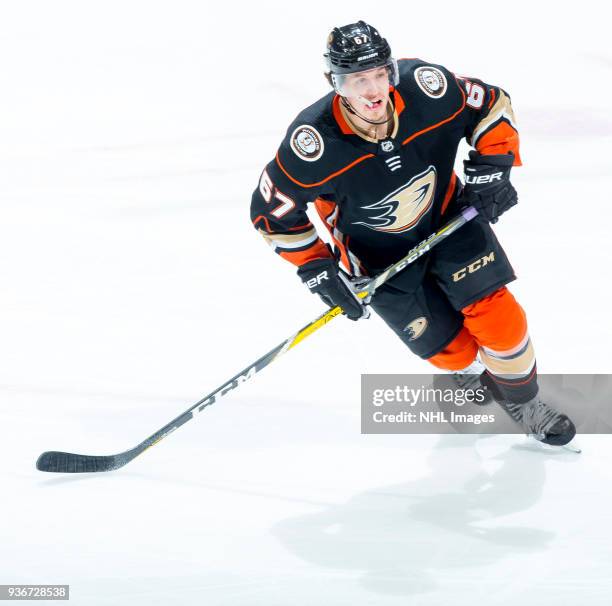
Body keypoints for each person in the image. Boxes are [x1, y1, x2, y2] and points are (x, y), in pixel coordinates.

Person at [250, 21, 575, 446]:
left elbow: (491, 104)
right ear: (335, 83)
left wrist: (495, 165)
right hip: (376, 260)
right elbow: (271, 214)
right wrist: (317, 268)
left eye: (379, 74)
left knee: (500, 319)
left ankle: (525, 403)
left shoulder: (429, 87)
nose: (372, 90)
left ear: (391, 71)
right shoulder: (312, 143)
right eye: (357, 80)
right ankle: (469, 373)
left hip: (449, 221)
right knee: (451, 351)